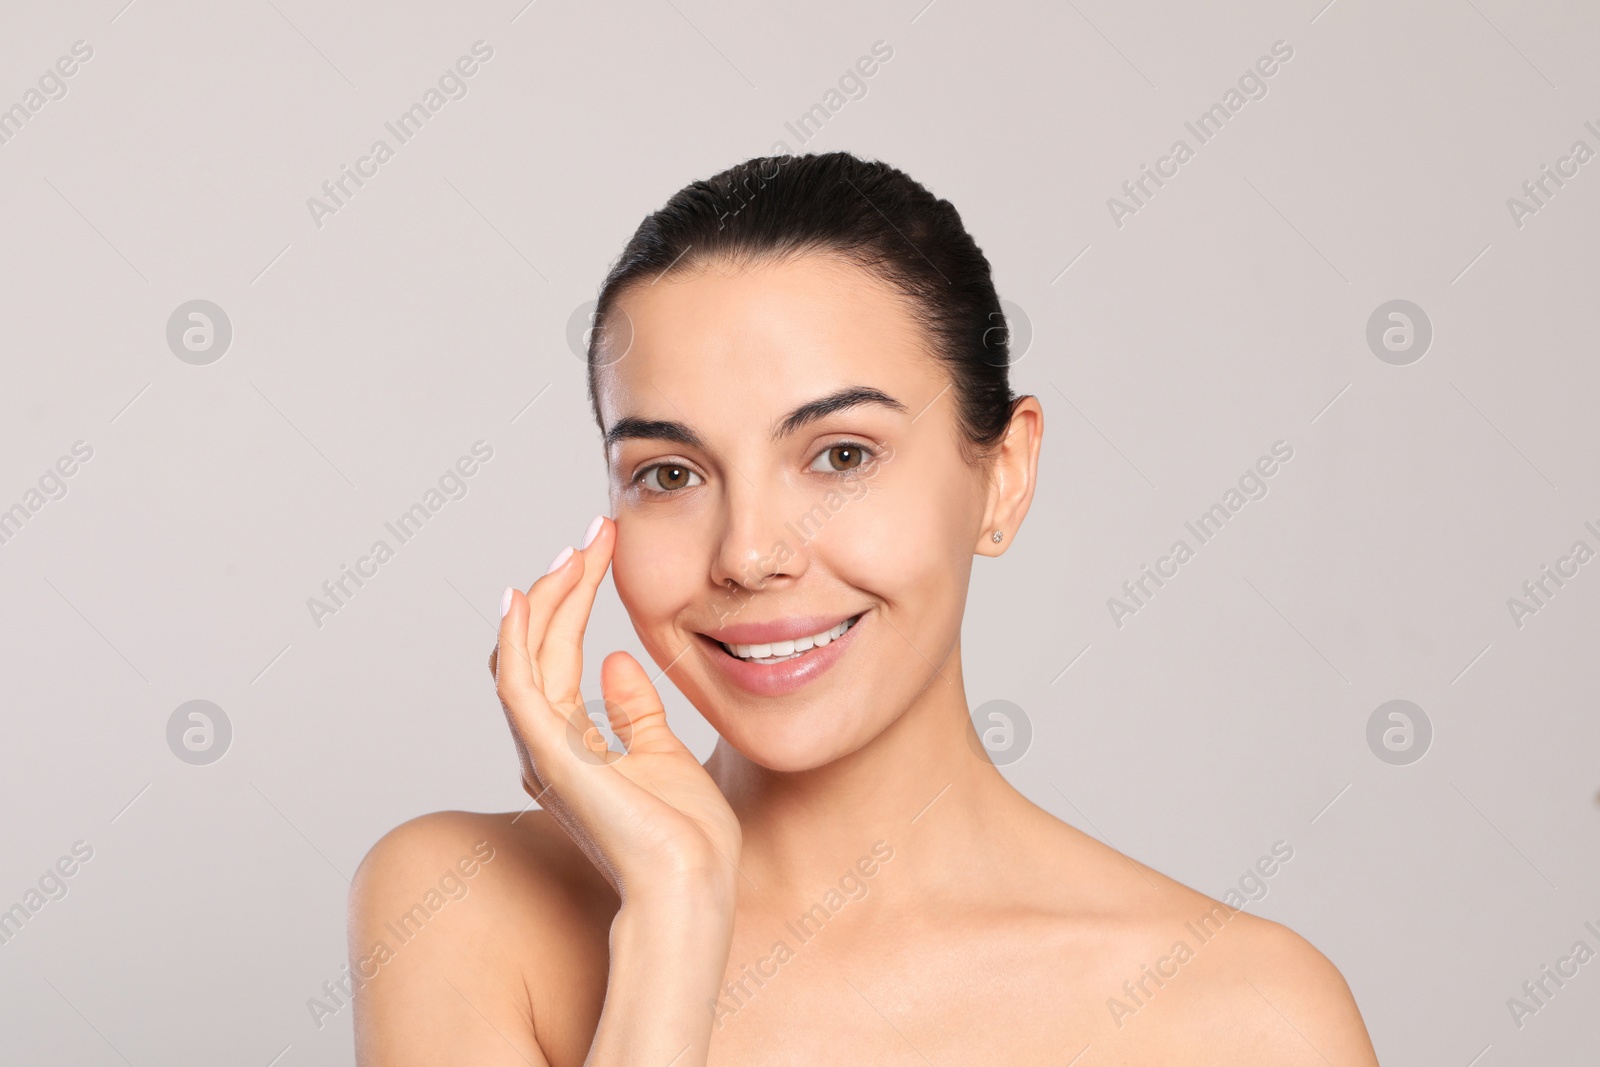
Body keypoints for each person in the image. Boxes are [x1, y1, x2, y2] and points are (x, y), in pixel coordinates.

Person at [348, 150, 1380, 1065]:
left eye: (840, 455)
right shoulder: (461, 907)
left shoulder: (1245, 1016)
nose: (749, 552)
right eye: (668, 473)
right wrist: (672, 914)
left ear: (1004, 473)